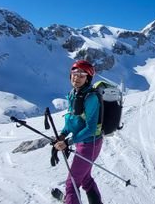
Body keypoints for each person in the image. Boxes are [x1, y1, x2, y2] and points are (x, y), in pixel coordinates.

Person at [54, 60, 103, 204]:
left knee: (71, 185)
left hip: (90, 144)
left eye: (82, 75)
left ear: (88, 78)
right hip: (82, 142)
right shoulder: (74, 93)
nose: (77, 77)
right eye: (75, 73)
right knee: (85, 179)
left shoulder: (91, 98)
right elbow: (72, 120)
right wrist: (63, 135)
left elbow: (91, 128)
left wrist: (68, 141)